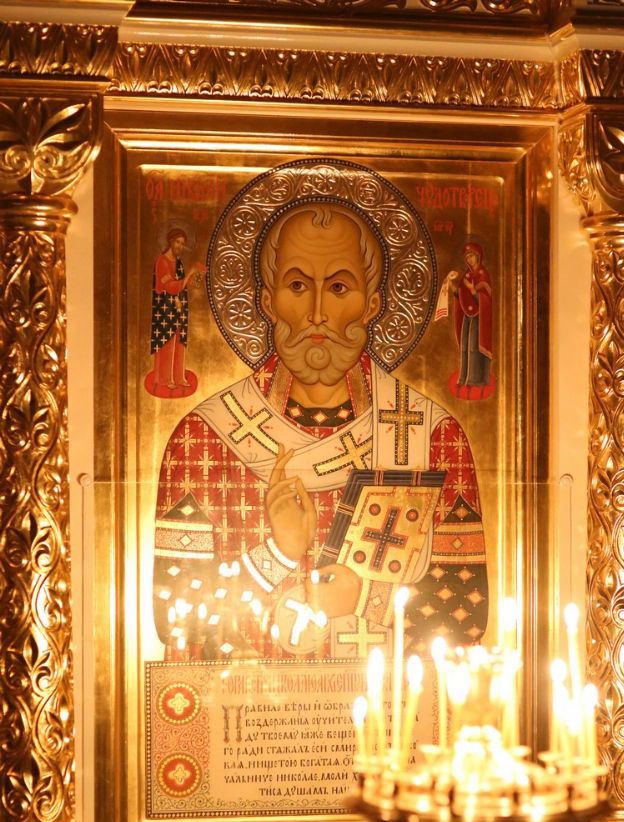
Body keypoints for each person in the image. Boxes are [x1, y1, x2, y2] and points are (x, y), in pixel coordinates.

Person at [153, 201, 488, 661]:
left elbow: (468, 614)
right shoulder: (202, 438)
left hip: (391, 704)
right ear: (268, 303)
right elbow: (173, 617)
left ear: (371, 305)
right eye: (296, 285)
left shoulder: (433, 437)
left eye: (338, 287)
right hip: (241, 701)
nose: (316, 312)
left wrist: (365, 597)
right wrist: (279, 554)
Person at [148, 227, 206, 396]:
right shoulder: (162, 262)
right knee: (168, 340)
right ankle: (165, 378)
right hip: (165, 309)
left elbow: (185, 284)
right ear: (171, 242)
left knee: (180, 339)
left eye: (182, 244)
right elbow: (171, 287)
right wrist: (191, 272)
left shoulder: (178, 262)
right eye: (178, 242)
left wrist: (198, 275)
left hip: (179, 307)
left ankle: (179, 376)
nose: (180, 246)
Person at [447, 242, 492, 388]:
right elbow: (461, 295)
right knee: (466, 346)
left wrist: (473, 291)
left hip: (479, 317)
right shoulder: (467, 275)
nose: (469, 259)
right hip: (467, 315)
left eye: (471, 256)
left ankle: (475, 380)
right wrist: (452, 286)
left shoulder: (483, 274)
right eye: (467, 257)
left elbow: (487, 299)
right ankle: (464, 378)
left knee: (474, 346)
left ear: (478, 256)